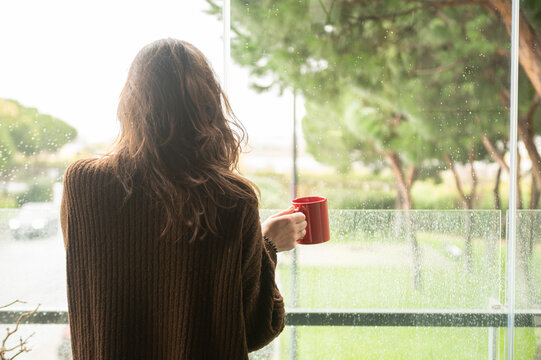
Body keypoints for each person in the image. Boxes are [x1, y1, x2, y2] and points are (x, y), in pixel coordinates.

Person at [60, 38, 306, 360]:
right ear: (209, 105)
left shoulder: (83, 184)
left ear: (130, 104)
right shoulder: (231, 199)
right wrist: (268, 245)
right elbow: (255, 328)